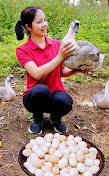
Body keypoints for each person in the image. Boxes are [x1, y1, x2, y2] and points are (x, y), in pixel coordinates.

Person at [15, 6, 91, 134]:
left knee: (66, 101)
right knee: (41, 90)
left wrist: (77, 69)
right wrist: (60, 56)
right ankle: (37, 118)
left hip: (54, 95)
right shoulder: (23, 50)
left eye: (45, 20)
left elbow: (62, 72)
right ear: (28, 27)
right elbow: (37, 74)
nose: (44, 24)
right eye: (39, 22)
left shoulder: (56, 45)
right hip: (34, 98)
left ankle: (55, 119)